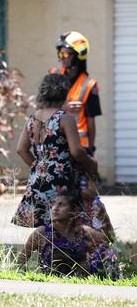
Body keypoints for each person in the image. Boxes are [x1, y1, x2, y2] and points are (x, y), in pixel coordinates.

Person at [12, 73, 97, 228]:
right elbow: (77, 152)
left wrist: (39, 167)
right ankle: (62, 252)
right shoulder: (65, 118)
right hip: (61, 180)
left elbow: (21, 149)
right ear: (65, 93)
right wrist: (89, 161)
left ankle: (46, 252)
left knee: (44, 227)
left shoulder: (33, 119)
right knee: (63, 225)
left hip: (38, 180)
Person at [18, 192, 120, 279]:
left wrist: (104, 216)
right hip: (50, 281)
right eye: (54, 204)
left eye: (61, 205)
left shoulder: (82, 231)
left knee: (106, 252)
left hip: (80, 281)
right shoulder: (42, 232)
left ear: (74, 211)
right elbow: (21, 259)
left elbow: (108, 240)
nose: (55, 209)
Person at [49, 32, 101, 153]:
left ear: (78, 55)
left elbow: (91, 122)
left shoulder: (90, 85)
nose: (61, 57)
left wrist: (91, 151)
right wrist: (63, 108)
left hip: (79, 150)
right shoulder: (52, 76)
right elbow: (40, 107)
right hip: (54, 146)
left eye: (65, 53)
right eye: (60, 53)